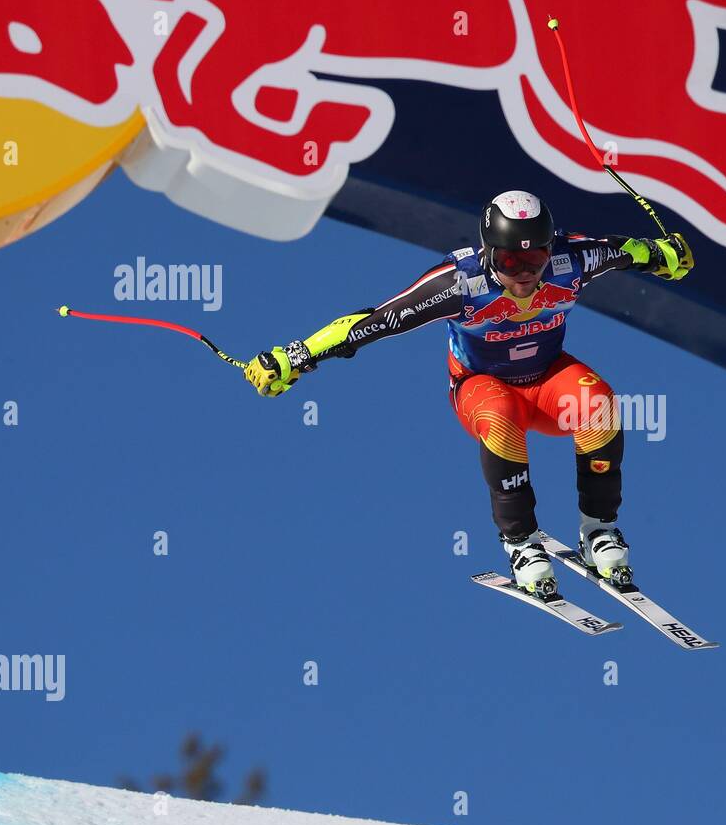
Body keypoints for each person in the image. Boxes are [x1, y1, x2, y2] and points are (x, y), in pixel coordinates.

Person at [244, 190, 693, 595]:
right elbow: (376, 321)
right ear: (487, 251)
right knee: (499, 415)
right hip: (480, 386)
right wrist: (296, 355)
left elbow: (629, 251)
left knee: (599, 405)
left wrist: (665, 255)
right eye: (510, 262)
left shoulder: (572, 258)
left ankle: (599, 530)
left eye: (534, 259)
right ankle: (521, 543)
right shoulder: (458, 284)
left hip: (545, 382)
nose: (523, 274)